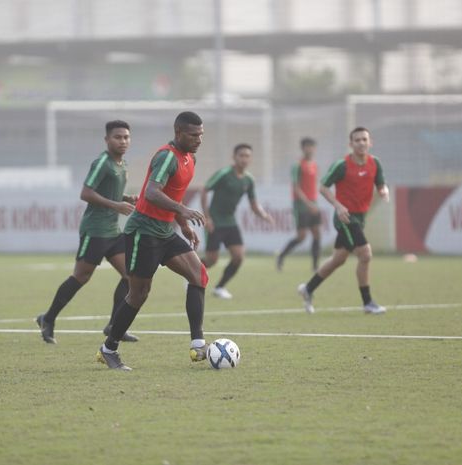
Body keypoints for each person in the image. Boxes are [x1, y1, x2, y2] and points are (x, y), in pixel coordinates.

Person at [96, 111, 207, 371]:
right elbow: (152, 192)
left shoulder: (190, 157)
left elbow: (173, 193)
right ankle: (108, 349)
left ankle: (198, 344)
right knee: (138, 294)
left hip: (165, 231)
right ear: (178, 133)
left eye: (201, 134)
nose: (199, 139)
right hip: (143, 232)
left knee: (198, 275)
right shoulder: (167, 156)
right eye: (193, 135)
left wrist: (183, 225)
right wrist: (183, 212)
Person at [35, 120, 139, 344]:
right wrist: (116, 206)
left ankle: (113, 326)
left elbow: (108, 191)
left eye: (126, 137)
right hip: (95, 230)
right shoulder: (102, 162)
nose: (123, 141)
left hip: (112, 230)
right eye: (118, 137)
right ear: (107, 140)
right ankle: (48, 318)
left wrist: (125, 198)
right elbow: (86, 193)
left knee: (131, 277)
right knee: (81, 277)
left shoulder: (122, 164)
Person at [297, 127, 389, 315]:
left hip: (360, 217)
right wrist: (338, 206)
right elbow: (323, 187)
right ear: (351, 144)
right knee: (365, 254)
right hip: (345, 218)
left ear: (370, 142)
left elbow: (380, 183)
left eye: (364, 139)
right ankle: (368, 302)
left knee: (338, 259)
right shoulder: (342, 165)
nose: (361, 143)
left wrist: (383, 190)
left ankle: (308, 288)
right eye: (357, 140)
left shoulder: (375, 163)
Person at [200, 143, 273, 299]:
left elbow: (254, 204)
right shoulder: (224, 174)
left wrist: (264, 215)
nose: (244, 159)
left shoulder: (249, 180)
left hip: (230, 222)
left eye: (247, 156)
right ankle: (191, 274)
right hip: (215, 221)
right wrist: (207, 217)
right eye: (241, 155)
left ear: (251, 159)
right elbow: (205, 190)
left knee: (239, 256)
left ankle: (219, 287)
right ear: (234, 157)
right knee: (212, 260)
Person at [277, 137, 321, 272]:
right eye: (307, 146)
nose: (310, 149)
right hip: (301, 205)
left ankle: (315, 267)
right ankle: (281, 256)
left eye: (312, 146)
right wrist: (308, 203)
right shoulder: (297, 165)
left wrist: (314, 203)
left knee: (317, 234)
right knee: (301, 237)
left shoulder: (314, 165)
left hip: (314, 204)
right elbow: (296, 187)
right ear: (302, 148)